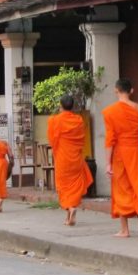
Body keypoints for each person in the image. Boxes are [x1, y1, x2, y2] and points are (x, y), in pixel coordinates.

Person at [102, 78, 138, 238]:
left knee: (121, 189)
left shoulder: (110, 112)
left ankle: (124, 229)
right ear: (131, 90)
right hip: (136, 151)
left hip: (120, 154)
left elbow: (110, 140)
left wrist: (108, 163)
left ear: (116, 90)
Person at [47, 94, 93, 226]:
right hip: (76, 158)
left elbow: (52, 140)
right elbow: (82, 139)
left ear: (60, 106)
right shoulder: (78, 120)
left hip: (62, 158)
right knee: (74, 186)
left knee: (63, 187)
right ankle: (69, 217)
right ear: (72, 106)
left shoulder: (55, 120)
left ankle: (71, 208)